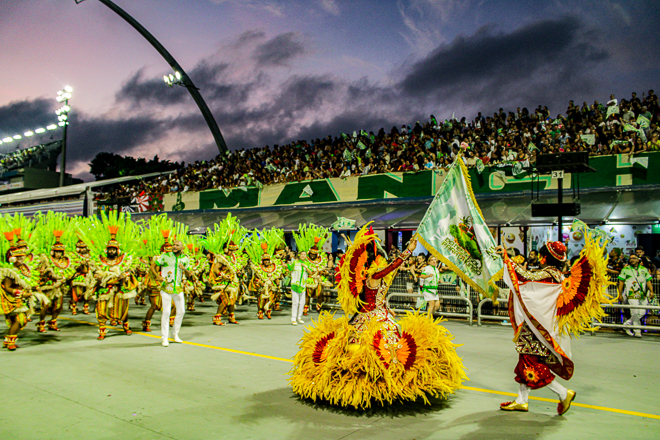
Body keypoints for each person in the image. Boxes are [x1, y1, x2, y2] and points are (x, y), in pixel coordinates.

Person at [289, 226, 466, 409]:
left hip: (382, 315)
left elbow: (382, 290)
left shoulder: (377, 276)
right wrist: (408, 251)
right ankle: (369, 386)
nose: (383, 261)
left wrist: (388, 308)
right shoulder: (373, 275)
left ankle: (390, 384)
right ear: (375, 261)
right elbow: (392, 267)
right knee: (371, 351)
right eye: (381, 258)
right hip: (370, 319)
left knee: (392, 347)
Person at [497, 242, 576, 414]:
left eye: (541, 255)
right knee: (525, 361)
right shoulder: (559, 275)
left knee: (530, 364)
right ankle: (521, 400)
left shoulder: (548, 273)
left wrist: (506, 257)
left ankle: (563, 393)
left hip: (536, 328)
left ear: (545, 257)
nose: (539, 259)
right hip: (542, 327)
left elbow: (524, 277)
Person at [93, 226, 138, 340]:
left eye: (113, 249)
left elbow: (130, 271)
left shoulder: (124, 260)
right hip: (105, 289)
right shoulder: (100, 261)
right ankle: (102, 330)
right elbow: (95, 272)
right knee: (101, 309)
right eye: (110, 249)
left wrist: (124, 276)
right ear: (106, 250)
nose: (111, 251)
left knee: (123, 310)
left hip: (119, 289)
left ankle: (126, 326)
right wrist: (97, 277)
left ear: (117, 250)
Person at [151, 239, 192, 347]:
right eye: (173, 245)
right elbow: (153, 266)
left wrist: (185, 269)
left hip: (178, 289)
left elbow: (189, 274)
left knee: (181, 311)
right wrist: (157, 276)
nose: (174, 246)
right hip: (166, 288)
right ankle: (164, 338)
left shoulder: (185, 259)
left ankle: (175, 333)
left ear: (182, 248)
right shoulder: (165, 256)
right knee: (166, 313)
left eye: (177, 245)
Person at [617, 254, 654, 338]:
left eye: (634, 258)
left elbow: (648, 281)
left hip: (643, 294)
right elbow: (621, 282)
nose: (632, 260)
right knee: (635, 312)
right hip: (631, 294)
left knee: (642, 312)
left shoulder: (644, 269)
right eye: (630, 258)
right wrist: (620, 294)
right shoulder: (625, 269)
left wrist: (651, 291)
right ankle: (637, 331)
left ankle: (627, 324)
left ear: (638, 260)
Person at [288, 251, 312, 325]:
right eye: (302, 254)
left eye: (304, 255)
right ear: (299, 255)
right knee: (295, 302)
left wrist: (305, 267)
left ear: (306, 256)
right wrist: (285, 265)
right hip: (295, 285)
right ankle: (293, 318)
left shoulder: (307, 263)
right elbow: (289, 268)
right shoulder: (295, 262)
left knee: (302, 303)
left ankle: (299, 317)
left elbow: (310, 272)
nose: (303, 256)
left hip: (302, 285)